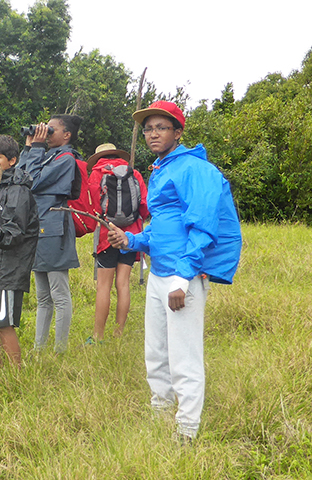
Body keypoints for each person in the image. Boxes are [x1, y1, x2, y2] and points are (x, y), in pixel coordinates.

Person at [107, 101, 242, 440]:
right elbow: (162, 227)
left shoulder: (194, 169)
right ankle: (161, 412)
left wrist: (183, 278)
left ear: (178, 132)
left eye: (161, 127)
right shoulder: (161, 169)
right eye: (149, 128)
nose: (153, 133)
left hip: (183, 276)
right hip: (158, 274)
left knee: (184, 355)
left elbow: (203, 226)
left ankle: (187, 429)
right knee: (156, 351)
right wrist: (132, 240)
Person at [18, 114, 82, 354]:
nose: (46, 133)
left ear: (67, 135)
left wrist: (36, 148)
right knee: (43, 296)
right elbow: (19, 177)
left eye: (51, 129)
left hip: (54, 231)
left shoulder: (66, 159)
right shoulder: (46, 156)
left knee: (59, 294)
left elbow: (32, 182)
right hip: (37, 229)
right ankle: (39, 348)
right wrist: (29, 147)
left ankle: (60, 350)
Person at [0, 135, 39, 371]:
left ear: (12, 160)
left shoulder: (18, 191)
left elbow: (17, 232)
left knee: (4, 325)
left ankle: (15, 374)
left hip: (7, 271)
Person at [86, 143, 149, 344]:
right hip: (131, 236)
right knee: (123, 284)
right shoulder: (134, 173)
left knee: (104, 287)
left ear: (98, 157)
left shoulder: (97, 173)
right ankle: (119, 333)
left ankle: (98, 336)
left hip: (107, 236)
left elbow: (94, 208)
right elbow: (145, 206)